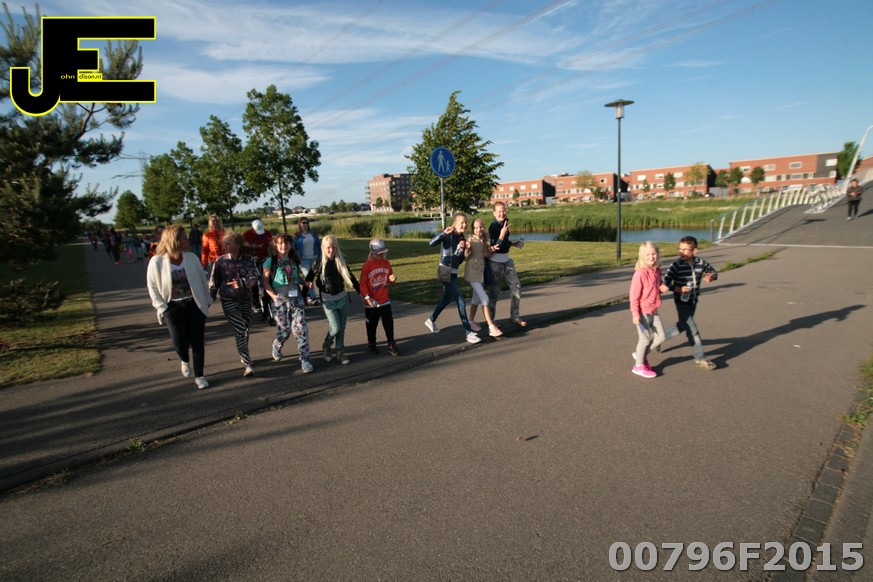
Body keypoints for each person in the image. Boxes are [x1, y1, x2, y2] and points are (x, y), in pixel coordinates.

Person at [146, 224, 211, 389]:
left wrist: (207, 300)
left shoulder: (191, 258)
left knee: (197, 342)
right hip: (173, 308)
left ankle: (200, 376)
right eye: (184, 238)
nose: (188, 240)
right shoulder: (157, 261)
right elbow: (152, 287)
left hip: (194, 305)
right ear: (174, 241)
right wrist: (163, 308)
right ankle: (184, 360)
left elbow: (202, 281)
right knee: (180, 343)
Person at [661, 236, 718, 371]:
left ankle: (657, 339)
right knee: (692, 330)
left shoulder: (701, 263)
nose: (682, 252)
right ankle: (700, 358)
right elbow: (665, 284)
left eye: (686, 250)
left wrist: (711, 277)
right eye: (680, 249)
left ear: (695, 251)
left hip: (693, 300)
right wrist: (678, 289)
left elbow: (713, 272)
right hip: (681, 301)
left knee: (682, 326)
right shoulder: (676, 265)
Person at [424, 212, 481, 345]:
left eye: (466, 222)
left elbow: (459, 260)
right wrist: (443, 234)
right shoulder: (448, 234)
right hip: (445, 271)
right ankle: (468, 332)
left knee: (446, 299)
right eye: (462, 222)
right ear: (454, 224)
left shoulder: (462, 238)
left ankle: (431, 320)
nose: (464, 225)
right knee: (460, 299)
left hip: (453, 272)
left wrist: (464, 250)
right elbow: (431, 243)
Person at [209, 232, 260, 377]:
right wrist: (209, 299)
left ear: (238, 244)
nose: (225, 246)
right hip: (229, 300)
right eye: (224, 244)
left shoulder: (248, 260)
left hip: (246, 300)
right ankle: (247, 364)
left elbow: (254, 278)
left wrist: (242, 282)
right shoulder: (220, 261)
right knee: (240, 330)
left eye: (228, 243)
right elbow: (214, 282)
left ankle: (244, 353)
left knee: (245, 329)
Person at [262, 233, 314, 373]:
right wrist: (274, 297)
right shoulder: (270, 261)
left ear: (291, 245)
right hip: (280, 301)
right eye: (280, 243)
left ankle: (305, 359)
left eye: (286, 243)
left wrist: (304, 282)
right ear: (276, 245)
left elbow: (295, 277)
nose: (283, 246)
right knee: (285, 331)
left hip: (296, 300)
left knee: (301, 330)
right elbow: (265, 282)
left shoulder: (293, 260)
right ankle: (277, 344)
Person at [306, 234, 360, 365]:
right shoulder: (319, 263)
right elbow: (308, 279)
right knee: (335, 327)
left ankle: (340, 352)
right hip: (328, 300)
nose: (331, 250)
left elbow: (350, 276)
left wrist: (360, 291)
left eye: (334, 247)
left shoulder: (341, 260)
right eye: (328, 247)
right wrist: (303, 296)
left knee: (342, 327)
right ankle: (326, 344)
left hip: (341, 297)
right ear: (323, 248)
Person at [629, 242, 669, 379]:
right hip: (642, 312)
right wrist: (635, 314)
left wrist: (661, 288)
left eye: (653, 254)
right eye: (647, 254)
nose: (651, 257)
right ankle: (638, 366)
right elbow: (633, 296)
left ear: (658, 254)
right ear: (642, 256)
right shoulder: (640, 274)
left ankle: (640, 354)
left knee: (661, 337)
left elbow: (657, 286)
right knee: (645, 339)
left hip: (653, 310)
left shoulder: (657, 270)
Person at [487, 201, 526, 327]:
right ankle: (491, 321)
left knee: (516, 287)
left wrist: (515, 244)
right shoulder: (493, 227)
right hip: (495, 263)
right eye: (499, 211)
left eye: (503, 210)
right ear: (494, 213)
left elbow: (505, 243)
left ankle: (515, 317)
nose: (502, 213)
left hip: (507, 260)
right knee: (494, 292)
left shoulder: (505, 223)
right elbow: (495, 246)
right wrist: (502, 235)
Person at [359, 238, 399, 356]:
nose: (382, 255)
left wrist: (392, 280)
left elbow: (388, 278)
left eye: (383, 253)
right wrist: (367, 297)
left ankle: (391, 344)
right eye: (379, 254)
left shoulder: (386, 263)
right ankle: (371, 343)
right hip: (371, 302)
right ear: (372, 253)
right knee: (372, 325)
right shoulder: (367, 266)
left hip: (384, 299)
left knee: (388, 323)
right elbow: (363, 284)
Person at [464, 217, 502, 337]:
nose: (478, 229)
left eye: (480, 227)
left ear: (483, 227)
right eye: (475, 227)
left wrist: (491, 250)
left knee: (475, 299)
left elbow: (485, 255)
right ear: (472, 229)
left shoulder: (484, 239)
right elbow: (466, 257)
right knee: (485, 298)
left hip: (480, 274)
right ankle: (491, 327)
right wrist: (467, 249)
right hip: (472, 273)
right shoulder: (470, 239)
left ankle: (471, 322)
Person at [242, 218, 273, 318]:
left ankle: (268, 299)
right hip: (252, 261)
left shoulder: (267, 233)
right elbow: (244, 249)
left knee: (265, 281)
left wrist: (270, 257)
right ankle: (255, 303)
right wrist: (251, 256)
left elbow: (270, 246)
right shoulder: (246, 235)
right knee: (254, 282)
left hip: (265, 260)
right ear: (252, 228)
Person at [295, 217, 321, 305]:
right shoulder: (297, 236)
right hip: (303, 260)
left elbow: (318, 245)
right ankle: (313, 298)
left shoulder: (312, 233)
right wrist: (297, 258)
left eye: (307, 223)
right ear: (300, 224)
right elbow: (294, 248)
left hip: (314, 259)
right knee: (309, 278)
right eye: (303, 223)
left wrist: (319, 256)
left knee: (311, 278)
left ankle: (306, 295)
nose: (305, 224)